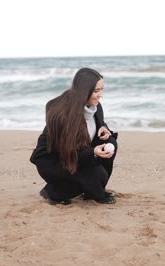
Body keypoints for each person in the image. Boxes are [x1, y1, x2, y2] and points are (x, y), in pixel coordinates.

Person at [30, 68, 118, 205]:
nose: (101, 95)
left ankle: (93, 191)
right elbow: (68, 152)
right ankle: (53, 192)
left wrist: (103, 128)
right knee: (96, 175)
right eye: (96, 91)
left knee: (111, 141)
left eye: (102, 89)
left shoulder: (96, 107)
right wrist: (93, 151)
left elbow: (95, 124)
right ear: (84, 91)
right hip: (55, 160)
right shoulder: (65, 115)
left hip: (78, 153)